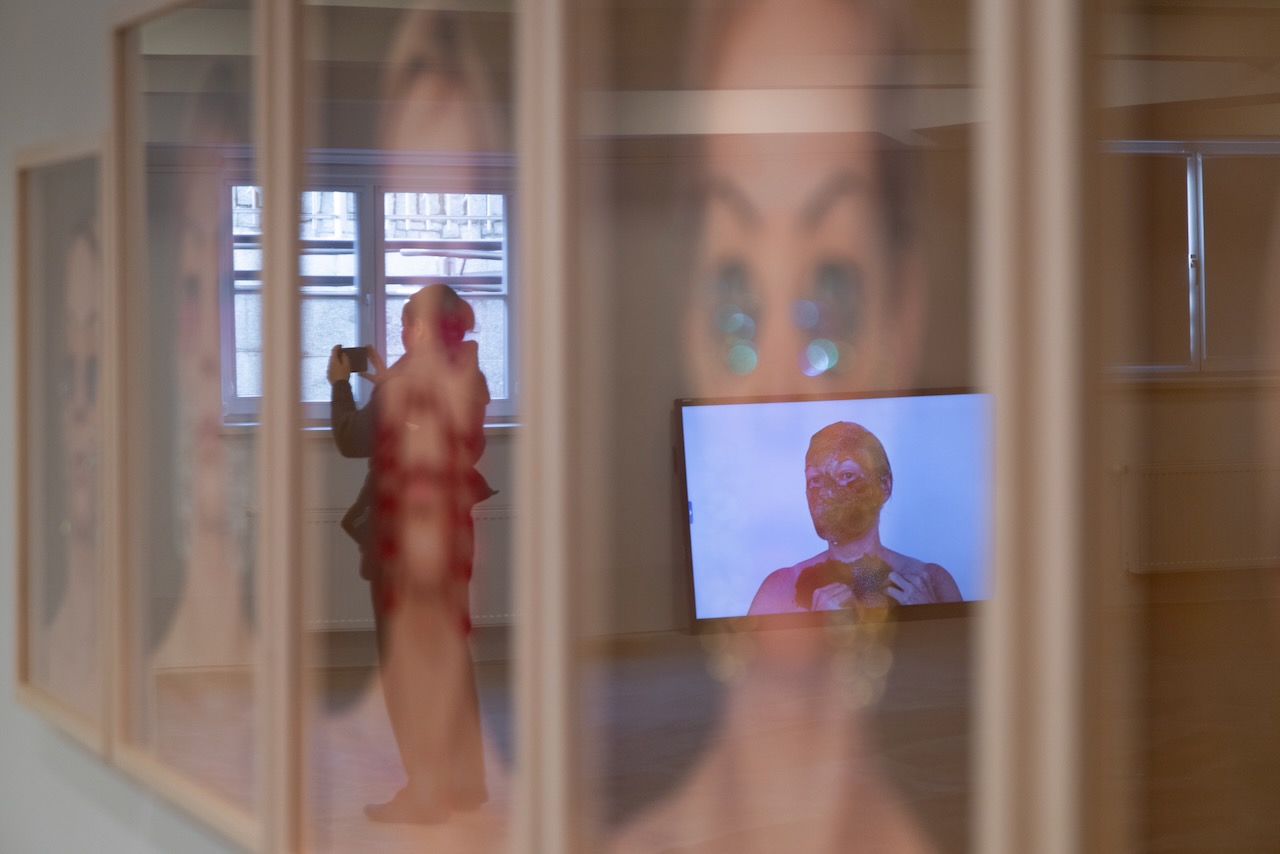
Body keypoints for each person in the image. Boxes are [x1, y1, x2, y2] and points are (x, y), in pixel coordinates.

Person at [329, 283, 493, 824]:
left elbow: (352, 438)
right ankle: (464, 785)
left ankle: (425, 793)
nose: (400, 332)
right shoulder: (470, 376)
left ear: (421, 329)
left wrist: (340, 385)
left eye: (405, 323)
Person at [749, 421, 961, 616]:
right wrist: (815, 628)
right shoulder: (780, 589)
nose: (826, 493)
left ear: (884, 486)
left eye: (846, 475)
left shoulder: (930, 581)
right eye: (815, 479)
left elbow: (960, 646)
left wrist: (927, 615)